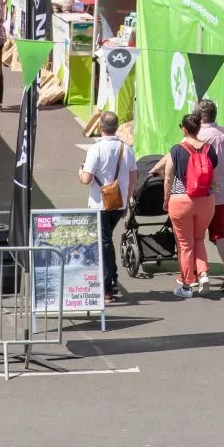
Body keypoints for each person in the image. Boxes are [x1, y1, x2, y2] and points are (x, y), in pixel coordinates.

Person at [157, 111, 217, 299]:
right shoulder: (209, 149)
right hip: (206, 201)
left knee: (185, 244)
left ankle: (186, 284)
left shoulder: (176, 150)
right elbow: (213, 179)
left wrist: (166, 200)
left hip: (181, 200)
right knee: (199, 239)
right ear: (198, 128)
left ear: (184, 129)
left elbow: (168, 178)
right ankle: (204, 274)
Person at [79, 111, 133, 304]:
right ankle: (112, 279)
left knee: (104, 243)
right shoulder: (126, 148)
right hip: (119, 202)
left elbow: (86, 179)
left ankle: (108, 285)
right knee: (106, 240)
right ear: (116, 127)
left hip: (100, 203)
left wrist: (80, 171)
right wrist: (127, 199)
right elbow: (134, 176)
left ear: (100, 127)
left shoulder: (96, 149)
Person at [195, 99, 224, 294]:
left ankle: (200, 273)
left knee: (195, 235)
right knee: (221, 232)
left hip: (202, 191)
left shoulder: (198, 137)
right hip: (223, 190)